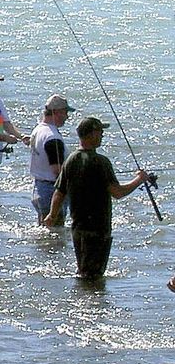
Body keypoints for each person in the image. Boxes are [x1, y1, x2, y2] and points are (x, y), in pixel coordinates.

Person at [41, 117, 153, 281]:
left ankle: (84, 299)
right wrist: (139, 179)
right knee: (94, 277)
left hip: (78, 228)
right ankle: (89, 303)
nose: (102, 135)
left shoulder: (70, 160)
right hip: (98, 229)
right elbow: (118, 192)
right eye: (100, 132)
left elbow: (59, 193)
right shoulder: (101, 162)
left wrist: (52, 215)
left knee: (84, 272)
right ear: (92, 134)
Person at [29, 94, 74, 221]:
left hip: (38, 189)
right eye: (65, 112)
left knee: (46, 233)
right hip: (51, 192)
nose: (67, 117)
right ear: (56, 112)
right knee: (56, 235)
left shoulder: (39, 129)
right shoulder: (53, 137)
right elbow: (57, 171)